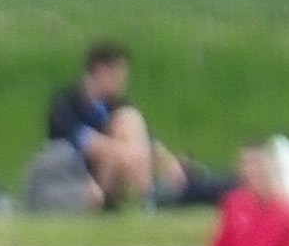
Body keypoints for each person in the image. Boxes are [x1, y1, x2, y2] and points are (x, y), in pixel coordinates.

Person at [44, 44, 196, 211]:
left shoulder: (117, 104)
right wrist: (127, 155)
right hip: (76, 172)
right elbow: (81, 141)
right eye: (118, 76)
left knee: (130, 118)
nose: (122, 82)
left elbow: (149, 140)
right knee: (122, 139)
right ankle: (145, 200)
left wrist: (168, 161)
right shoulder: (67, 103)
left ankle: (146, 197)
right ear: (101, 71)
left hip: (117, 171)